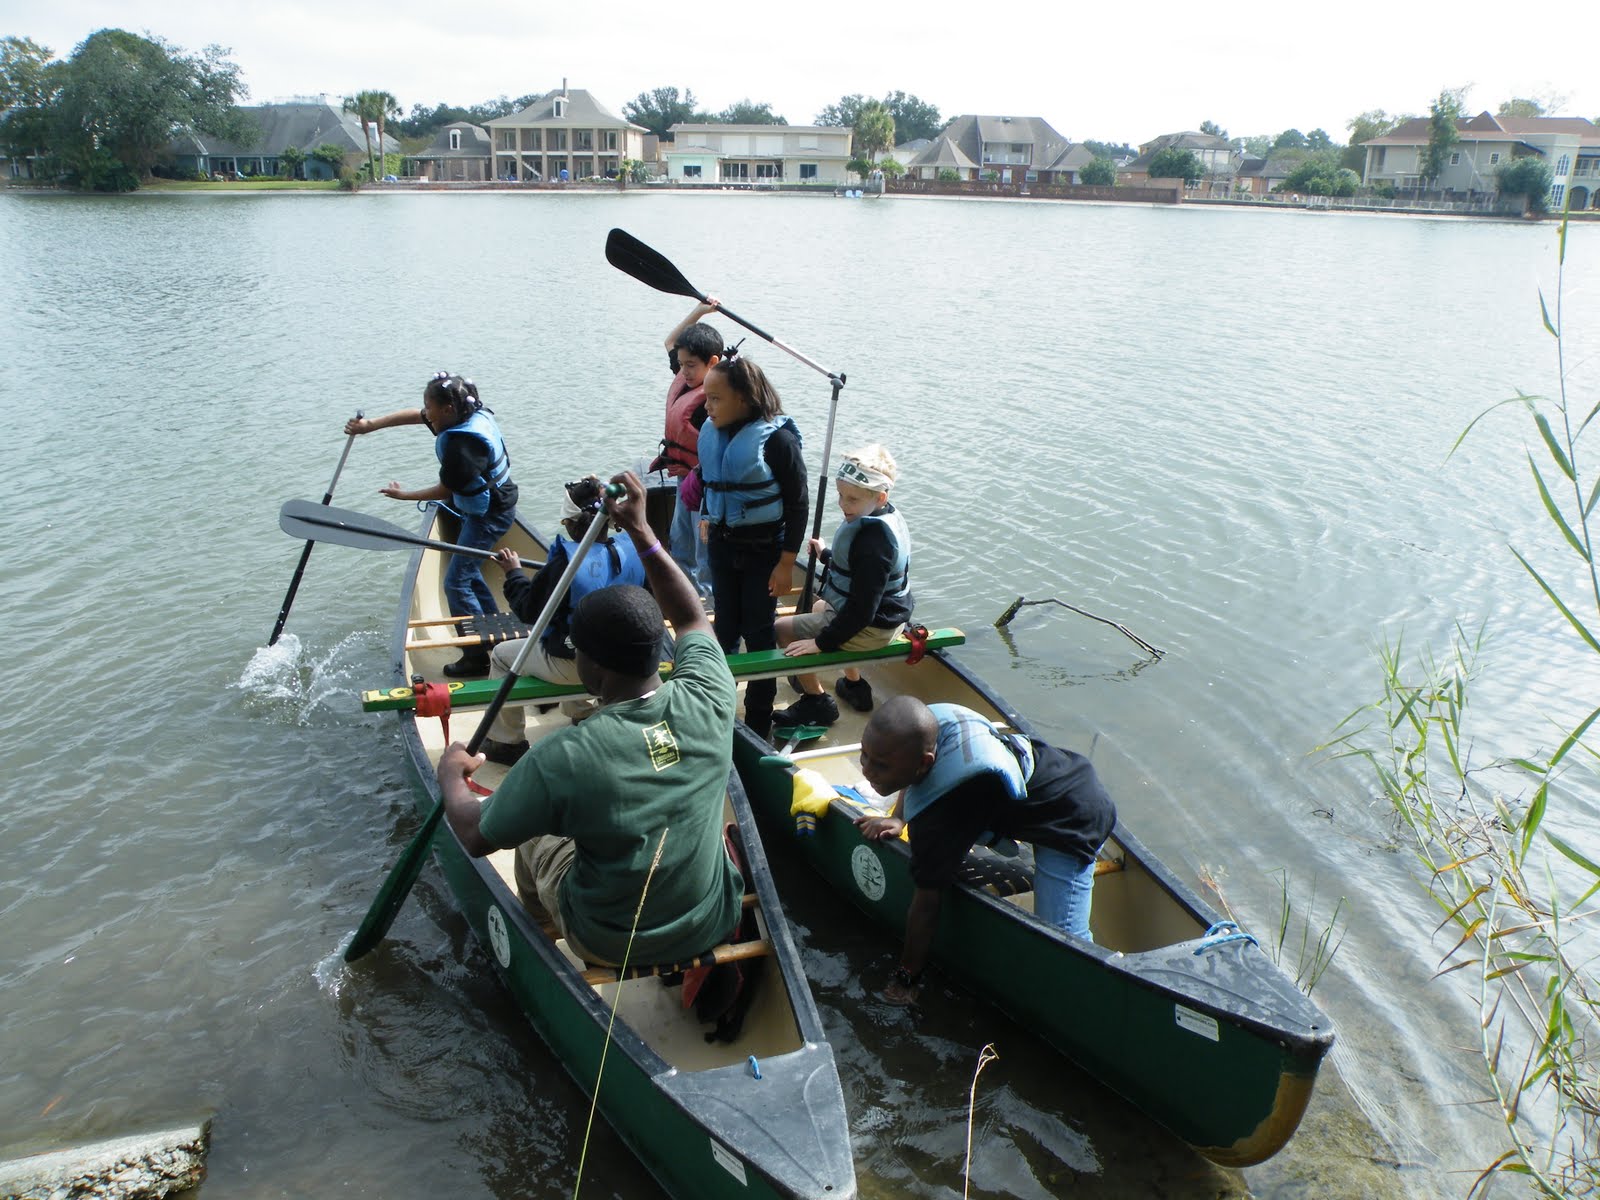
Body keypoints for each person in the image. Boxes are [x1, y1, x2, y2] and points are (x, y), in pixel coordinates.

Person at [436, 471, 745, 967]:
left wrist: (451, 776)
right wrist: (643, 532)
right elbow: (691, 619)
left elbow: (475, 834)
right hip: (712, 917)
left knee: (534, 837)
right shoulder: (709, 693)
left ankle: (539, 937)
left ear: (592, 667)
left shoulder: (563, 756)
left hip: (608, 941)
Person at [854, 697, 1116, 1006]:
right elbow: (915, 782)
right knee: (952, 826)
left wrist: (907, 976)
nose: (867, 770)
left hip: (1074, 818)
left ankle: (1098, 998)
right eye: (864, 755)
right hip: (1048, 777)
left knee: (1062, 947)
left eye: (881, 765)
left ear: (925, 762)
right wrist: (899, 817)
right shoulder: (928, 735)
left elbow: (926, 903)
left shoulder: (942, 814)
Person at [346, 372, 519, 677]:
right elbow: (416, 416)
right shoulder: (464, 414)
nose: (425, 412)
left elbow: (446, 491)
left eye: (430, 407)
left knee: (455, 581)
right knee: (467, 571)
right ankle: (494, 630)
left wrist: (402, 495)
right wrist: (370, 426)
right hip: (488, 504)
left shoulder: (461, 448)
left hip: (488, 515)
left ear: (449, 409)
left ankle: (475, 656)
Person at [479, 477, 648, 765]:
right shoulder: (634, 547)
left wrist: (514, 573)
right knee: (590, 634)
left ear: (570, 524)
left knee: (500, 656)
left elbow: (529, 611)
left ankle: (507, 742)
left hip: (576, 667)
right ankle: (582, 712)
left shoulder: (565, 563)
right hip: (622, 663)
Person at [697, 355, 808, 740]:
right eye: (706, 398)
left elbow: (797, 504)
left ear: (743, 399)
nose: (706, 406)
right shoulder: (713, 429)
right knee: (725, 626)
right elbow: (711, 479)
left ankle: (759, 719)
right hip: (724, 545)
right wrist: (705, 514)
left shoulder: (777, 440)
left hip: (764, 551)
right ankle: (718, 705)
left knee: (759, 631)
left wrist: (786, 564)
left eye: (715, 399)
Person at [773, 444, 912, 729]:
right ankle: (854, 685)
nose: (842, 504)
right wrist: (826, 554)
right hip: (891, 618)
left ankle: (817, 702)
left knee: (782, 630)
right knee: (820, 605)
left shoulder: (874, 543)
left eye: (852, 499)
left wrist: (820, 643)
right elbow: (860, 576)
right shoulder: (882, 518)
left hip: (872, 627)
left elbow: (861, 610)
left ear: (880, 496)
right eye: (840, 495)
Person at [650, 301, 725, 599]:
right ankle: (683, 599)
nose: (684, 371)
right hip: (686, 479)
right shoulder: (687, 374)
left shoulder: (717, 400)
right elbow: (671, 342)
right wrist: (700, 310)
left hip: (708, 489)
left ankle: (708, 607)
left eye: (691, 366)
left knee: (703, 553)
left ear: (713, 363)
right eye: (682, 365)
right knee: (680, 545)